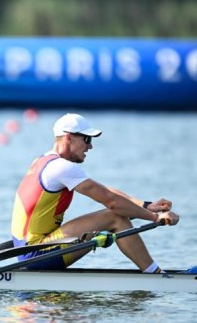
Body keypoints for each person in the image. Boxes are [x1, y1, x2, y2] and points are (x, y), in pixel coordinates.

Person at [11, 113, 179, 273]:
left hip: (30, 249)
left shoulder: (44, 161)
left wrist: (146, 205)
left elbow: (106, 192)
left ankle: (153, 272)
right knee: (116, 217)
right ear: (69, 137)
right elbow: (112, 201)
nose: (90, 146)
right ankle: (156, 275)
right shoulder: (61, 167)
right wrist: (156, 218)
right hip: (36, 253)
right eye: (87, 139)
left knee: (118, 212)